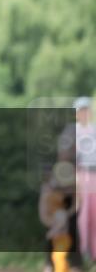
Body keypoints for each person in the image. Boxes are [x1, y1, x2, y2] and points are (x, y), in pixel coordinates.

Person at [69, 97, 96, 262]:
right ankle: (82, 251)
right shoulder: (73, 132)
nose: (84, 113)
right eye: (80, 111)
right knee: (83, 215)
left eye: (86, 110)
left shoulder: (94, 130)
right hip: (81, 176)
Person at [40, 162, 78, 272]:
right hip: (59, 238)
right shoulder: (58, 211)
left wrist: (52, 232)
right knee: (58, 258)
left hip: (62, 239)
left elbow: (61, 225)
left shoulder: (61, 213)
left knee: (59, 258)